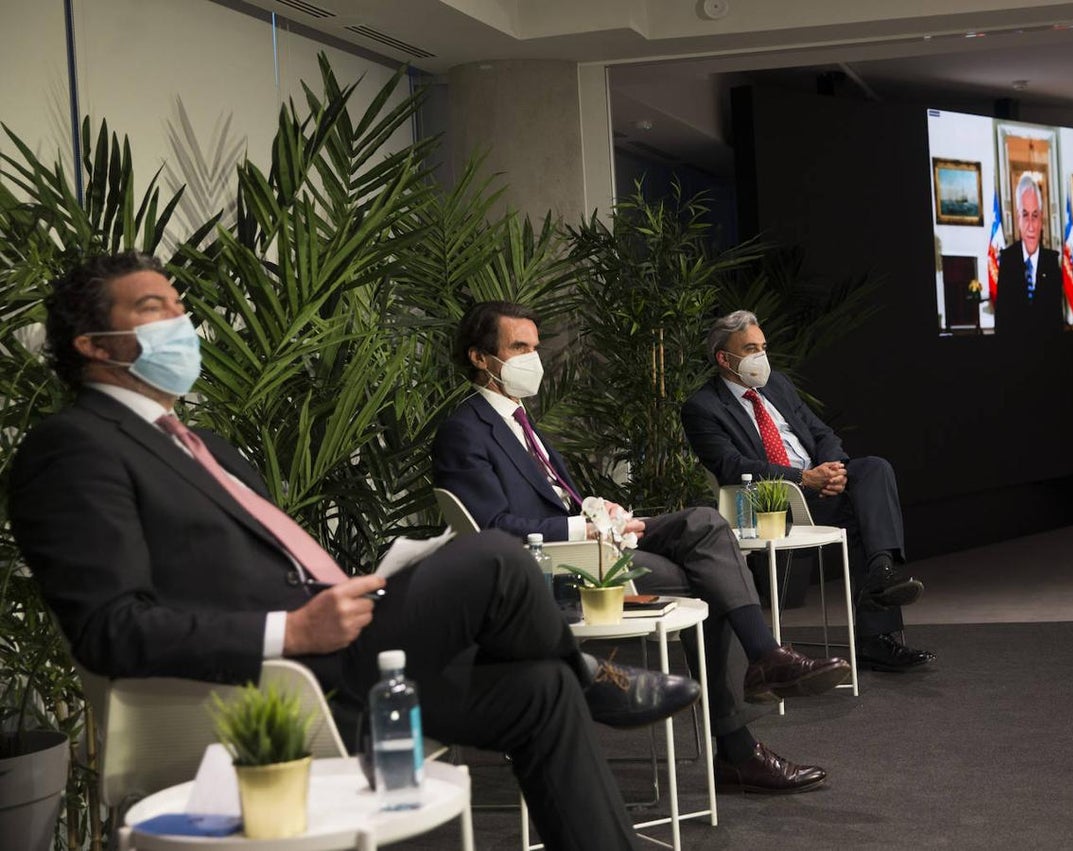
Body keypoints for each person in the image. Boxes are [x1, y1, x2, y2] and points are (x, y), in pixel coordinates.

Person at [8, 252, 703, 851]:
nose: (182, 323)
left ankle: (571, 678)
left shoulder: (200, 445)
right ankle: (586, 671)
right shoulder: (72, 449)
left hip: (347, 643)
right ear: (94, 344)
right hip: (287, 672)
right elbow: (109, 629)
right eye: (156, 308)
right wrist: (292, 628)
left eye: (181, 306)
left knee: (540, 692)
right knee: (494, 556)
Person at [433, 300, 852, 796]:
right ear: (480, 358)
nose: (534, 360)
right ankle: (742, 739)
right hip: (556, 566)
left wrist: (603, 512)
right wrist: (583, 528)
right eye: (519, 348)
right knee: (713, 579)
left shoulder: (520, 419)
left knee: (703, 522)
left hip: (594, 539)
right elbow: (491, 525)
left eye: (536, 347)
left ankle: (765, 661)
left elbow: (553, 495)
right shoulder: (465, 429)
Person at [681, 310, 936, 672]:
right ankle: (875, 633)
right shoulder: (702, 407)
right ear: (724, 358)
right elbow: (732, 466)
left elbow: (822, 434)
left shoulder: (778, 385)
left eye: (763, 347)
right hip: (774, 506)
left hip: (821, 487)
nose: (761, 357)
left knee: (874, 469)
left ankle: (880, 579)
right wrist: (803, 479)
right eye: (751, 348)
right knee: (866, 516)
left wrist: (833, 470)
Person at [995, 172, 1064, 334]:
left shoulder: (1052, 263)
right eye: (1025, 216)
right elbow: (1002, 322)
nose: (1031, 226)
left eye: (1035, 216)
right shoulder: (1007, 260)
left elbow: (1057, 323)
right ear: (1018, 219)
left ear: (1041, 221)